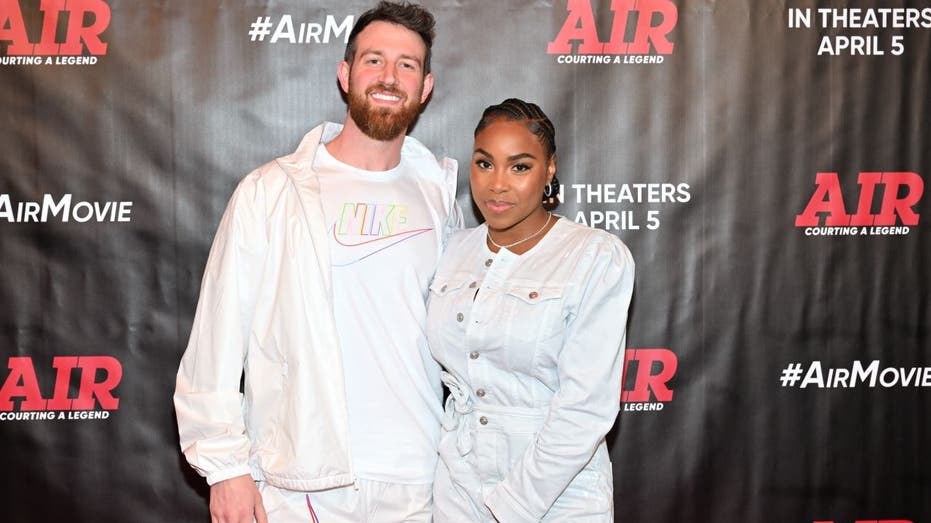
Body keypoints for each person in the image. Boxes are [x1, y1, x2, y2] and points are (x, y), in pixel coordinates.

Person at [173, 3, 461, 522]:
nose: (389, 77)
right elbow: (216, 339)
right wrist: (225, 469)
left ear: (426, 87)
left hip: (421, 481)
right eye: (374, 60)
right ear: (345, 74)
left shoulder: (440, 198)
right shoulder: (272, 190)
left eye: (407, 65)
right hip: (303, 482)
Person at [426, 98, 634, 522]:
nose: (497, 184)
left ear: (549, 169)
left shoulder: (593, 257)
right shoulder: (451, 250)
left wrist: (513, 506)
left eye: (519, 167)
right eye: (484, 164)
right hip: (456, 489)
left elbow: (585, 406)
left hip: (560, 497)